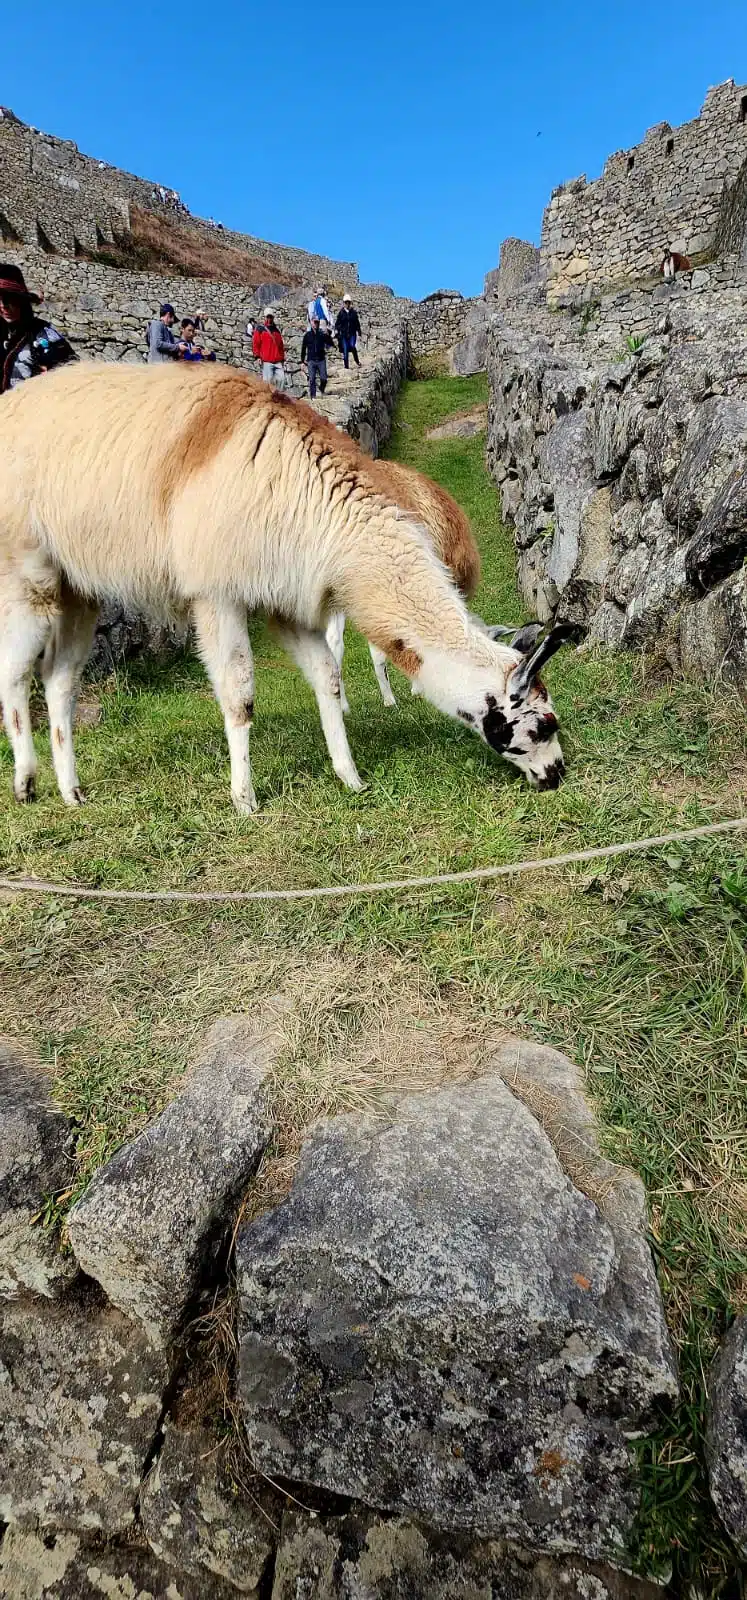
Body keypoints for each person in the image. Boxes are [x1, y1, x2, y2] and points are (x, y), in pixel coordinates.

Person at [0, 262, 77, 393]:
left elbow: (73, 372)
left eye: (9, 299)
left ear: (22, 301)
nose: (3, 306)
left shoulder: (43, 334)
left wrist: (49, 378)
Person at [301, 315, 333, 398]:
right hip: (311, 360)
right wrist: (302, 361)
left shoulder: (322, 334)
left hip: (321, 359)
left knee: (324, 379)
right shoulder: (307, 335)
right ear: (311, 323)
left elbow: (330, 343)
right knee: (312, 379)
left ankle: (321, 389)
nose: (316, 324)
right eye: (314, 322)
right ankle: (313, 396)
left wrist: (328, 334)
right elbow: (303, 348)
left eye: (317, 322)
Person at [252, 308, 285, 387]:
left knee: (281, 380)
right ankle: (267, 395)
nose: (269, 319)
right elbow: (256, 343)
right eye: (268, 317)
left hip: (277, 361)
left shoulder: (276, 331)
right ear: (265, 317)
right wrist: (257, 356)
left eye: (271, 317)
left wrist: (282, 358)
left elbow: (280, 346)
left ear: (273, 317)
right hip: (267, 361)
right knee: (267, 383)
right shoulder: (260, 329)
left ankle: (277, 394)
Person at [335, 293, 362, 368]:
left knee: (352, 346)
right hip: (344, 335)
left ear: (350, 303)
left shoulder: (354, 313)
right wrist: (338, 330)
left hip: (352, 334)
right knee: (345, 350)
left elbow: (357, 323)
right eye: (346, 302)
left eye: (348, 302)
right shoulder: (341, 313)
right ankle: (346, 367)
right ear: (344, 303)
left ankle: (357, 361)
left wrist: (359, 333)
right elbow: (337, 323)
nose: (347, 304)